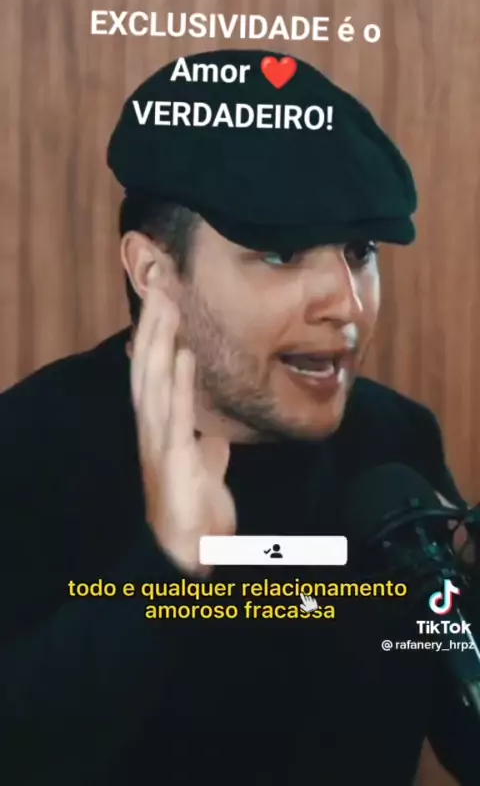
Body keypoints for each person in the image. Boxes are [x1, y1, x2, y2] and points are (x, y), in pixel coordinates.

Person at [0, 50, 476, 786]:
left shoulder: (393, 444)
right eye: (282, 253)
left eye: (360, 251)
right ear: (155, 272)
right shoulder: (31, 448)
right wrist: (167, 570)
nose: (347, 304)